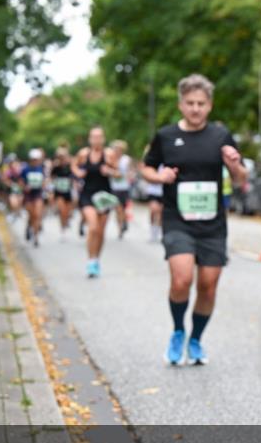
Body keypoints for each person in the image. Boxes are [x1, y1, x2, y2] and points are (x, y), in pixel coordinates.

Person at [141, 74, 247, 366]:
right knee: (181, 279)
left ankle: (196, 339)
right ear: (181, 105)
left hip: (213, 224)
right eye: (190, 103)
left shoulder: (220, 136)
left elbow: (241, 179)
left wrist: (234, 165)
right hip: (178, 220)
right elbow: (146, 168)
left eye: (201, 103)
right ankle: (177, 331)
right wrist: (159, 176)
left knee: (208, 286)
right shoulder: (165, 136)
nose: (196, 108)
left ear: (210, 106)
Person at [72, 126, 119, 277]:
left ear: (103, 139)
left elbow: (118, 174)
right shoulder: (84, 154)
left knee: (100, 232)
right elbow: (73, 165)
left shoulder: (109, 154)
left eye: (99, 137)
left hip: (104, 196)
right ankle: (91, 260)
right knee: (92, 227)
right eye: (94, 137)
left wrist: (110, 171)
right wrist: (78, 172)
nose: (96, 139)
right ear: (89, 139)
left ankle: (96, 259)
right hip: (88, 194)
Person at [21, 148, 48, 247]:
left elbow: (45, 180)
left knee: (37, 214)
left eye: (36, 159)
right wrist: (25, 187)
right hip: (28, 195)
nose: (35, 161)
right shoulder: (25, 169)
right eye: (33, 159)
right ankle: (29, 226)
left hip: (38, 194)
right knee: (31, 214)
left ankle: (36, 237)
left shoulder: (41, 168)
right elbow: (21, 181)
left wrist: (44, 185)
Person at [109, 140, 134, 239]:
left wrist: (130, 175)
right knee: (118, 208)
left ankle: (124, 221)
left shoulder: (126, 159)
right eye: (115, 149)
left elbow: (131, 170)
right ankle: (120, 229)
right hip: (114, 187)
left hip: (125, 187)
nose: (117, 151)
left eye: (119, 149)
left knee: (123, 208)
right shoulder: (111, 159)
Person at [50, 145, 75, 237]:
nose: (62, 158)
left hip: (68, 191)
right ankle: (62, 228)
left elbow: (74, 176)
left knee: (67, 212)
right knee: (62, 210)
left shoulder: (70, 166)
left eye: (63, 156)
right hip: (59, 191)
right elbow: (51, 177)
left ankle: (66, 222)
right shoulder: (56, 167)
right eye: (60, 156)